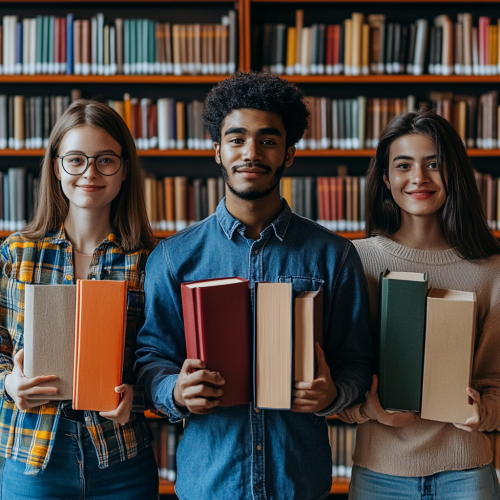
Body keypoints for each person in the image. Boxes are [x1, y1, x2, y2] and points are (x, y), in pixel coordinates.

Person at [135, 71, 374, 500]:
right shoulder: (173, 257)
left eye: (267, 140)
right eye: (237, 138)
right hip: (211, 483)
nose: (251, 152)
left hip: (298, 482)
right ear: (217, 151)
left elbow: (357, 359)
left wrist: (335, 392)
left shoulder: (334, 255)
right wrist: (173, 388)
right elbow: (150, 356)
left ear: (289, 154)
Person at [0, 99, 158, 499]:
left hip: (121, 458)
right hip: (32, 457)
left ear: (124, 170)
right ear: (56, 167)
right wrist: (8, 383)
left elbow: (164, 358)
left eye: (105, 160)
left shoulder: (150, 260)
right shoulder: (16, 253)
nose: (90, 173)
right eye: (75, 160)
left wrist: (135, 399)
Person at [339, 110, 500, 500]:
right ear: (385, 179)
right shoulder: (355, 261)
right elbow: (336, 382)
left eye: (434, 164)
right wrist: (368, 411)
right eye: (404, 165)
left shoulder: (491, 270)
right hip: (379, 474)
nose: (419, 178)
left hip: (467, 474)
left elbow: (497, 382)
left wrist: (484, 413)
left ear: (455, 174)